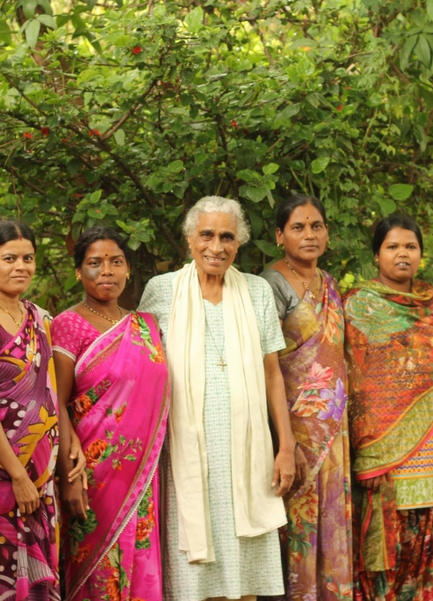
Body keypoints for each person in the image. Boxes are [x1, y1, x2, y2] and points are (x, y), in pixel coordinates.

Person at [138, 195, 297, 601]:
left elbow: (272, 374)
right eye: (206, 234)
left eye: (227, 236)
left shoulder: (258, 292)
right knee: (193, 572)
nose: (216, 245)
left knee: (245, 576)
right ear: (190, 239)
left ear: (239, 243)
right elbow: (142, 370)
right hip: (184, 454)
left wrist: (287, 447)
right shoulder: (162, 290)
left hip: (248, 453)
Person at [53, 227, 170, 600]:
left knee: (140, 565)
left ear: (128, 270)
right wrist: (69, 475)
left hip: (143, 475)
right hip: (91, 474)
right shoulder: (68, 325)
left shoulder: (146, 326)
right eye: (95, 263)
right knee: (97, 573)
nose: (107, 271)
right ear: (78, 272)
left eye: (116, 262)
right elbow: (57, 401)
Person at [344, 215, 433, 600]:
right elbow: (357, 380)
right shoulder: (358, 305)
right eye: (392, 247)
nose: (402, 254)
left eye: (410, 246)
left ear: (421, 254)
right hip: (380, 446)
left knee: (423, 538)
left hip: (429, 441)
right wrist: (368, 448)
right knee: (383, 546)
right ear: (377, 255)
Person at [260, 194, 353, 600]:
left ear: (327, 234)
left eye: (316, 226)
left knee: (331, 520)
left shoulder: (329, 283)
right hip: (292, 432)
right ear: (280, 236)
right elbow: (267, 366)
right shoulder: (270, 284)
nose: (309, 234)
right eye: (298, 227)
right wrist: (286, 440)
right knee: (296, 527)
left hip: (334, 433)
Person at [0, 219, 60, 599]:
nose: (21, 266)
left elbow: (51, 391)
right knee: (3, 570)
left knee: (41, 567)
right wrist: (17, 476)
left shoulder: (41, 317)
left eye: (28, 258)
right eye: (9, 258)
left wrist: (69, 444)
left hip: (42, 470)